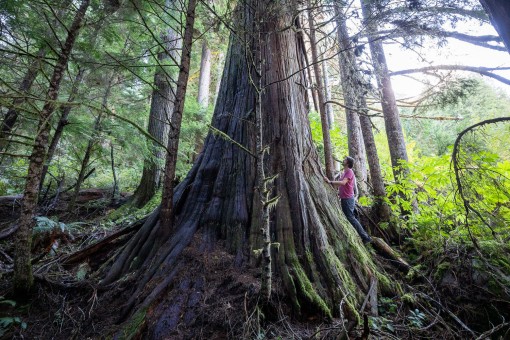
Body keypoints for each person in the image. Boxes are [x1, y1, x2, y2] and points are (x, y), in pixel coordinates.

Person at [325, 156, 372, 244]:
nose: (343, 160)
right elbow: (341, 186)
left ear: (348, 163)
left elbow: (343, 183)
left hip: (348, 199)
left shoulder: (349, 172)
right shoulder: (344, 172)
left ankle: (365, 237)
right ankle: (361, 235)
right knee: (352, 217)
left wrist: (330, 182)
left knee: (350, 217)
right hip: (345, 198)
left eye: (345, 159)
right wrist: (337, 193)